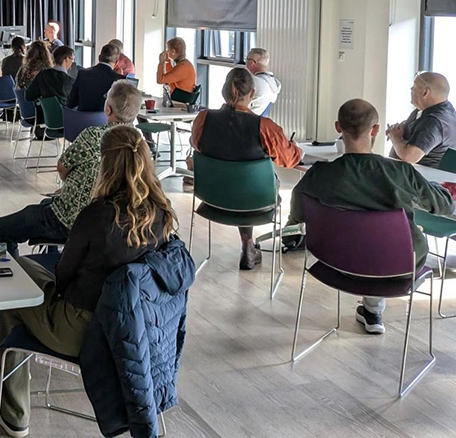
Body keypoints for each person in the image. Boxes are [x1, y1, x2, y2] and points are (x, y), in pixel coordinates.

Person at [0, 125, 176, 438]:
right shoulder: (162, 215)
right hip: (133, 329)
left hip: (80, 329)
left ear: (106, 165)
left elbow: (63, 276)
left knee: (14, 289)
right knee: (24, 276)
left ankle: (11, 411)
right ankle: (6, 402)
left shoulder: (97, 215)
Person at [291, 99, 454, 334]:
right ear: (375, 130)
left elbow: (297, 214)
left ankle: (371, 310)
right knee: (384, 244)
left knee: (363, 241)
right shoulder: (400, 172)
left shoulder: (319, 175)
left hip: (335, 263)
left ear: (338, 127)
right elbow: (443, 206)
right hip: (398, 266)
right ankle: (372, 309)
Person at [0, 81, 144, 257]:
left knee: (0, 228)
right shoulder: (138, 144)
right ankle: (54, 258)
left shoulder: (94, 136)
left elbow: (62, 167)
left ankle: (19, 276)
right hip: (112, 225)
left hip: (70, 220)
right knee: (45, 205)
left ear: (108, 109)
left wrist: (71, 184)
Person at [190, 68, 302, 270]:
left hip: (212, 197)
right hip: (255, 200)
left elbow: (196, 145)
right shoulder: (264, 126)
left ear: (223, 91)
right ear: (252, 94)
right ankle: (254, 245)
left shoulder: (203, 119)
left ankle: (248, 245)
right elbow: (290, 160)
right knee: (248, 185)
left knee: (235, 179)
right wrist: (298, 150)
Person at [387, 72, 456, 168]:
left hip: (419, 180)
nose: (411, 89)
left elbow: (409, 157)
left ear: (425, 93)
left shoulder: (434, 121)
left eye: (414, 87)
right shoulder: (433, 110)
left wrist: (395, 137)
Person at [67, 43, 124, 112]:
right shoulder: (119, 80)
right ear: (117, 62)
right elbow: (122, 109)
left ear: (99, 57)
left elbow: (71, 103)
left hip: (82, 120)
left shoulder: (82, 73)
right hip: (106, 120)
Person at [246, 48, 281, 115]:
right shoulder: (274, 82)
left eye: (246, 59)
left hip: (244, 121)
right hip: (258, 121)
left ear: (251, 63)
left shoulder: (254, 82)